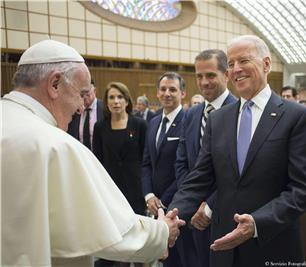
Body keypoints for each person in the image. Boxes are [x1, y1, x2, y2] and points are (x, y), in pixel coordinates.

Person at [1, 40, 184, 267]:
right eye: (81, 94)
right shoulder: (55, 145)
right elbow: (105, 230)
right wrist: (162, 231)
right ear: (55, 84)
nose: (81, 107)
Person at [168, 35, 306, 266]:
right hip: (222, 247)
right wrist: (172, 216)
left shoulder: (297, 117)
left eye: (244, 61)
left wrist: (257, 223)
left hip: (273, 245)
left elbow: (302, 190)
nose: (236, 69)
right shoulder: (218, 119)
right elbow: (199, 177)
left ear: (266, 64)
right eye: (230, 64)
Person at [175, 49, 237, 267]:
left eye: (210, 75)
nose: (204, 82)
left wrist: (209, 204)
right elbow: (182, 162)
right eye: (199, 76)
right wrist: (192, 201)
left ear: (226, 74)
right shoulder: (191, 114)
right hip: (193, 215)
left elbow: (238, 170)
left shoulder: (241, 112)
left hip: (226, 214)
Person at [142, 72, 194, 267]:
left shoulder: (189, 121)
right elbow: (146, 162)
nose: (167, 93)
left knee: (182, 259)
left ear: (183, 93)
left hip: (179, 204)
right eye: (163, 89)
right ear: (157, 93)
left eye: (173, 89)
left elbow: (187, 167)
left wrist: (164, 199)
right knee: (164, 259)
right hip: (155, 204)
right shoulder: (153, 122)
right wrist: (148, 195)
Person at [93, 82, 148, 267]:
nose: (116, 101)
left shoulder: (139, 124)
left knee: (139, 235)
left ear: (127, 101)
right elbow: (98, 160)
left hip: (135, 187)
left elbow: (145, 159)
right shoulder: (100, 127)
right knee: (118, 235)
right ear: (106, 102)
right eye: (111, 97)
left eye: (120, 97)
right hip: (111, 189)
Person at [67, 78, 103, 150]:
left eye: (87, 90)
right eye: (82, 91)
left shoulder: (105, 109)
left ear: (94, 91)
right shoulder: (74, 110)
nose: (84, 94)